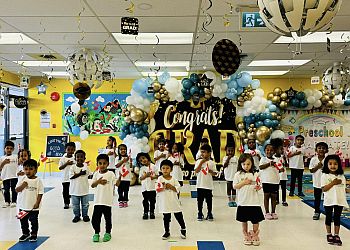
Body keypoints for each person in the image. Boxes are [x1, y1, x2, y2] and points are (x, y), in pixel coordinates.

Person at [233, 153, 264, 246]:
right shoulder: (238, 174)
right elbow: (235, 186)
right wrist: (244, 182)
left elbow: (260, 184)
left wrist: (259, 187)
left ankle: (254, 234)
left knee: (256, 220)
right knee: (244, 220)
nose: (246, 166)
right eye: (243, 164)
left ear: (252, 164)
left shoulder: (256, 174)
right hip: (243, 202)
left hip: (254, 202)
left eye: (248, 164)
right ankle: (246, 234)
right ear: (240, 164)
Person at [321, 154, 349, 246]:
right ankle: (329, 234)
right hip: (329, 200)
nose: (333, 166)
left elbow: (344, 188)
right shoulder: (324, 175)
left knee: (337, 218)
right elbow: (324, 189)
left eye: (335, 164)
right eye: (330, 164)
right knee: (328, 217)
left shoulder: (342, 176)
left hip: (339, 200)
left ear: (339, 165)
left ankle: (337, 235)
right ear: (326, 165)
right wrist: (333, 183)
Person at [156, 160, 186, 240]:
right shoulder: (160, 178)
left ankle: (183, 228)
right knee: (166, 217)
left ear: (171, 169)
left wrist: (171, 187)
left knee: (178, 215)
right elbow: (157, 188)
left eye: (167, 168)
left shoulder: (174, 179)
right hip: (164, 201)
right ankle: (167, 231)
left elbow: (178, 189)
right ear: (160, 169)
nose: (165, 170)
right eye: (163, 168)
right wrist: (163, 187)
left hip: (174, 201)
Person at [91, 154, 118, 243]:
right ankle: (96, 233)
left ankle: (108, 233)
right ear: (97, 164)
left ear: (108, 164)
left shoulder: (111, 174)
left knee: (107, 219)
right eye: (100, 163)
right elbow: (92, 185)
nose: (102, 165)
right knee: (95, 219)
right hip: (98, 201)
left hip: (107, 201)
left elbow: (117, 184)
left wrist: (120, 177)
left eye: (104, 163)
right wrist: (98, 181)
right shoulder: (96, 173)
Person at [15, 159, 44, 242]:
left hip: (33, 207)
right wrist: (23, 185)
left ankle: (34, 234)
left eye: (31, 169)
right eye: (26, 169)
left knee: (34, 221)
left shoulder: (38, 181)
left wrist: (37, 203)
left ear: (35, 170)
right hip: (22, 206)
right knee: (23, 221)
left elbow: (40, 193)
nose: (28, 171)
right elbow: (17, 190)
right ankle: (25, 233)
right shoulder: (22, 179)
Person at [194, 144, 217, 221]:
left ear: (209, 153)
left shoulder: (212, 163)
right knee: (200, 200)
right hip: (200, 185)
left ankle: (209, 213)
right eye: (201, 152)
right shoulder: (198, 161)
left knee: (209, 200)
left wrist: (210, 171)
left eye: (204, 152)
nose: (202, 154)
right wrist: (201, 163)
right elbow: (196, 171)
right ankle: (200, 212)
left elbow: (215, 173)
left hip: (208, 185)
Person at [69, 150, 91, 223]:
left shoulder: (86, 167)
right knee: (75, 205)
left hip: (84, 190)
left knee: (85, 205)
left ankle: (85, 215)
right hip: (74, 191)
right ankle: (77, 216)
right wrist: (80, 173)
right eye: (77, 157)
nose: (79, 158)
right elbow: (71, 177)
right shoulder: (72, 167)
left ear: (84, 159)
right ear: (75, 158)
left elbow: (89, 174)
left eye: (82, 157)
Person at [259, 144, 279, 220]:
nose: (269, 151)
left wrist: (281, 169)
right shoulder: (263, 159)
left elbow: (279, 168)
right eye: (267, 150)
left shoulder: (276, 159)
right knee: (266, 196)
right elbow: (261, 167)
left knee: (274, 197)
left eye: (271, 150)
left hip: (275, 181)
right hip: (266, 181)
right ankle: (267, 212)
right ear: (264, 151)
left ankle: (273, 212)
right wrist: (269, 164)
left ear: (274, 151)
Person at [309, 142, 328, 220]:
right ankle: (317, 212)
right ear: (316, 150)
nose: (321, 149)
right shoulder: (313, 159)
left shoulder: (327, 159)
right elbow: (311, 170)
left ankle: (328, 213)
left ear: (326, 150)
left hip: (327, 183)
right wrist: (318, 166)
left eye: (323, 148)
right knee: (317, 198)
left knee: (327, 199)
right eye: (319, 148)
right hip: (317, 183)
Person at [137, 152, 158, 220]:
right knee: (145, 200)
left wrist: (153, 177)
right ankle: (145, 212)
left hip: (152, 187)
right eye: (141, 160)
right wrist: (146, 175)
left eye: (143, 158)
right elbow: (140, 178)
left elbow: (158, 175)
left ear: (147, 157)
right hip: (145, 188)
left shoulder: (153, 166)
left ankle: (152, 212)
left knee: (152, 201)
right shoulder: (142, 168)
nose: (143, 160)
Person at [0, 141, 18, 208]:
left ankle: (14, 201)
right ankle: (7, 201)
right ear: (4, 149)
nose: (9, 150)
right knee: (6, 190)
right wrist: (3, 163)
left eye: (11, 148)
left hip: (14, 176)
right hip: (5, 177)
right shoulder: (2, 158)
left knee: (14, 189)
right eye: (7, 148)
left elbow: (20, 162)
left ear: (13, 149)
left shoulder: (15, 156)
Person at [58, 142, 76, 209]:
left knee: (73, 191)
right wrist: (66, 164)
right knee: (65, 192)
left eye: (72, 149)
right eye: (68, 149)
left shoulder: (75, 158)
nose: (70, 151)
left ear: (74, 150)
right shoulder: (63, 158)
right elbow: (60, 168)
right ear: (65, 150)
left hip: (73, 178)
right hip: (65, 178)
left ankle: (74, 203)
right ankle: (66, 203)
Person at [271, 138, 288, 206]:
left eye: (282, 149)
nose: (282, 150)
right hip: (276, 175)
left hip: (283, 175)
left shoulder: (282, 157)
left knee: (284, 188)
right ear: (276, 150)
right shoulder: (273, 157)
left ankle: (284, 200)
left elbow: (286, 165)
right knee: (276, 188)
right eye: (280, 149)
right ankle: (277, 200)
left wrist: (285, 159)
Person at [115, 144, 132, 208]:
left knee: (126, 190)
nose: (123, 150)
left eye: (124, 149)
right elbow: (117, 166)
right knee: (120, 190)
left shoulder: (128, 158)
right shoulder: (117, 158)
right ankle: (120, 201)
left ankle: (125, 201)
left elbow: (130, 167)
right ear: (118, 151)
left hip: (127, 177)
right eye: (121, 149)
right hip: (120, 177)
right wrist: (123, 161)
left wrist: (130, 162)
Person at [222, 143, 238, 207]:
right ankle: (229, 200)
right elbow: (224, 165)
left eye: (232, 151)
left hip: (235, 177)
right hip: (228, 176)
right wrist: (228, 158)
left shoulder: (236, 158)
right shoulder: (225, 158)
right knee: (229, 188)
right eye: (229, 151)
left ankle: (233, 200)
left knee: (234, 189)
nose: (230, 152)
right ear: (226, 151)